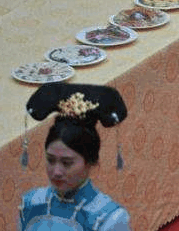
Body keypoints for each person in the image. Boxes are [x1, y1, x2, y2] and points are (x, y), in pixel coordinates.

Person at [19, 82, 131, 230]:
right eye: (51, 160)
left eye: (67, 163)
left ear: (91, 162)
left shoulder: (109, 218)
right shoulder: (30, 203)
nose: (56, 171)